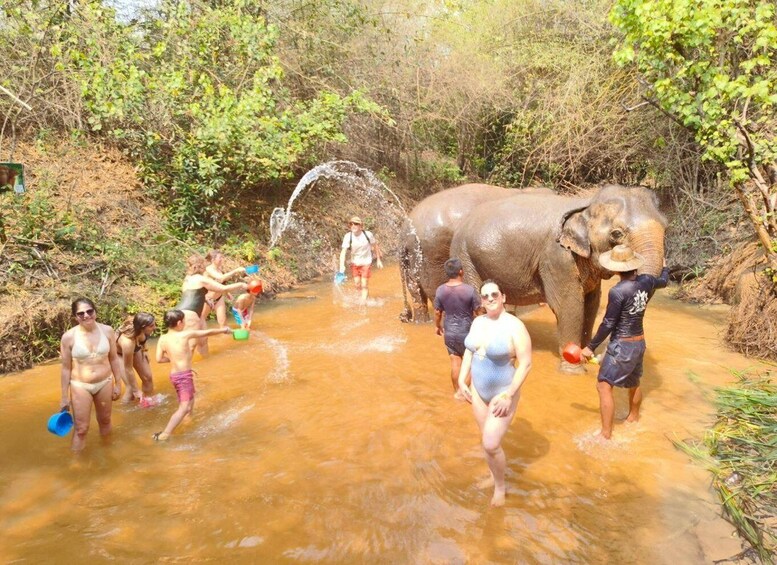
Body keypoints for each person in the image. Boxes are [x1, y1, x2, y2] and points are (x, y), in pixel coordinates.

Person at [581, 245, 669, 440]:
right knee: (634, 381)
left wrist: (590, 347)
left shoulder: (617, 291)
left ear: (615, 269)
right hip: (639, 343)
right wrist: (665, 268)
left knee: (603, 386)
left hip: (622, 345)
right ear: (634, 265)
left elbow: (608, 324)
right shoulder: (646, 281)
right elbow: (663, 281)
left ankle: (605, 435)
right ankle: (633, 418)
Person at [458, 280, 532, 507]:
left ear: (503, 297)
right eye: (485, 296)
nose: (490, 299)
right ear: (481, 300)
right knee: (485, 441)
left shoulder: (515, 326)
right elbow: (469, 353)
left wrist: (509, 394)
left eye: (494, 294)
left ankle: (501, 487)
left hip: (502, 393)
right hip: (479, 392)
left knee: (491, 444)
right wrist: (462, 379)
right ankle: (493, 476)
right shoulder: (478, 322)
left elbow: (526, 363)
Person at [153, 309, 232, 441]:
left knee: (190, 402)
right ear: (179, 323)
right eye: (184, 321)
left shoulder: (163, 338)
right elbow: (206, 332)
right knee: (184, 407)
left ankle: (188, 424)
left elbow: (159, 359)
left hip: (176, 375)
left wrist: (176, 360)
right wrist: (224, 330)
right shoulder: (184, 335)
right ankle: (164, 434)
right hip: (183, 377)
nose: (184, 324)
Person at [59, 298, 124, 452]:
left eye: (89, 311)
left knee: (106, 421)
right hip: (80, 386)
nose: (86, 315)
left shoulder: (107, 331)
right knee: (81, 429)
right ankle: (77, 467)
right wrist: (63, 397)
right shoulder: (68, 337)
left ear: (95, 311)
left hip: (105, 382)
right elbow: (66, 368)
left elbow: (114, 358)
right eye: (80, 313)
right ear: (75, 317)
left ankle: (108, 455)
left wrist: (118, 383)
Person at [176, 254, 247, 355]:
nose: (205, 267)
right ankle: (184, 368)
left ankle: (205, 364)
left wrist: (205, 298)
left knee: (203, 341)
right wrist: (241, 284)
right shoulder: (200, 279)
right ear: (199, 266)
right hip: (189, 313)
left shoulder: (188, 278)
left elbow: (192, 292)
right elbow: (222, 288)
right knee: (191, 345)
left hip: (196, 314)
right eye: (203, 265)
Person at [434, 258, 481, 400]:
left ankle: (457, 393)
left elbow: (437, 312)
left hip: (450, 332)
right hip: (466, 331)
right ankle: (465, 393)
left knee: (455, 363)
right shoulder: (469, 290)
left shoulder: (441, 290)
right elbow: (478, 311)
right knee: (472, 363)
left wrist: (437, 326)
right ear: (461, 271)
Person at [338, 216, 383, 303]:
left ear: (361, 226)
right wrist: (341, 265)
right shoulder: (348, 236)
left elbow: (375, 246)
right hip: (355, 263)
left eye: (356, 224)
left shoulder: (368, 234)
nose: (353, 226)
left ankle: (363, 303)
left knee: (364, 284)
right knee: (357, 284)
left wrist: (378, 259)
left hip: (366, 262)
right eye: (351, 224)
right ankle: (363, 298)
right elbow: (343, 252)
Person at [116, 312, 157, 403]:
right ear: (142, 327)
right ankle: (126, 414)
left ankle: (149, 402)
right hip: (119, 354)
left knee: (147, 378)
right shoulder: (127, 342)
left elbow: (143, 339)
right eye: (151, 326)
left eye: (154, 324)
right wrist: (136, 390)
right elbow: (128, 368)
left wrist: (145, 349)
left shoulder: (140, 326)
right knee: (130, 388)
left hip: (135, 348)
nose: (155, 328)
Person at [201, 250, 247, 328]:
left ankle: (224, 337)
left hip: (219, 298)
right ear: (213, 260)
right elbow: (220, 277)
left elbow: (221, 284)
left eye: (222, 257)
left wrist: (227, 293)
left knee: (223, 323)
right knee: (200, 321)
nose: (222, 259)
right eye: (220, 258)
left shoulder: (219, 269)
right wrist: (236, 270)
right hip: (208, 299)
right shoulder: (209, 269)